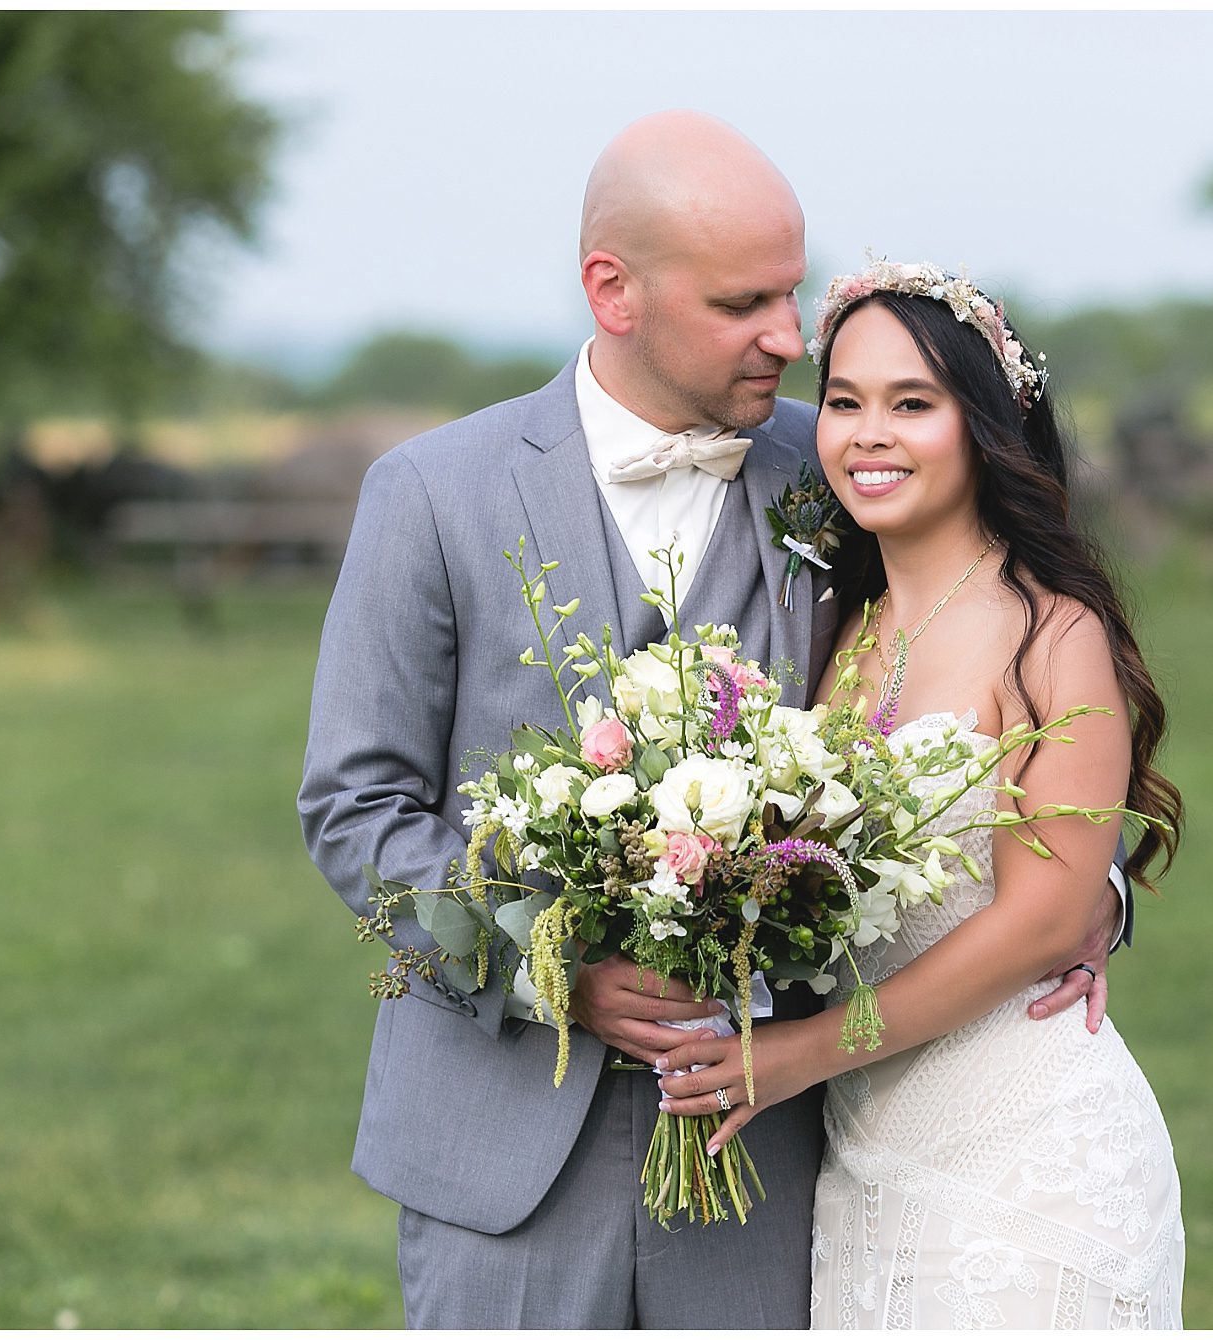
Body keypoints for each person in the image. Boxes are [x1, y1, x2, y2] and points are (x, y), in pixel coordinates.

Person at [298, 114, 1127, 1329]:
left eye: (790, 295)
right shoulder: (430, 494)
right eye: (743, 304)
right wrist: (551, 966)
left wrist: (1079, 898)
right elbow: (353, 808)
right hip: (501, 1156)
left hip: (777, 1147)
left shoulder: (840, 462)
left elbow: (982, 674)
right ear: (611, 290)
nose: (789, 342)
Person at [650, 260, 1188, 1328]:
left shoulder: (1051, 630)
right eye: (842, 401)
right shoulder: (836, 634)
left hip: (1026, 1157)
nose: (867, 433)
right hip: (863, 1165)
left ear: (983, 426)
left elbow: (1040, 917)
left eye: (911, 403)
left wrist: (800, 1051)